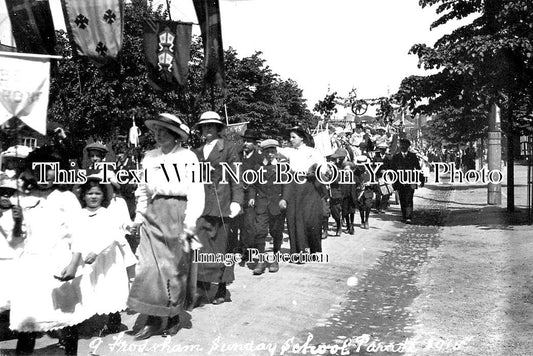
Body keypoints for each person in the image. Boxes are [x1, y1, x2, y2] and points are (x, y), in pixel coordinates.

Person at [128, 113, 204, 340]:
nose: (158, 136)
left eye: (163, 132)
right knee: (150, 268)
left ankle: (172, 316)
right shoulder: (150, 157)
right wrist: (139, 217)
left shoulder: (187, 157)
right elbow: (143, 190)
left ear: (174, 135)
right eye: (156, 131)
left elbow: (196, 191)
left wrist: (190, 224)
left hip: (178, 213)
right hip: (154, 212)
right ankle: (152, 319)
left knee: (172, 269)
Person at [8, 146, 85, 356]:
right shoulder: (25, 199)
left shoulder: (66, 198)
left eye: (50, 169)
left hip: (58, 265)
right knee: (28, 323)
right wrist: (16, 222)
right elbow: (17, 241)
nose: (45, 174)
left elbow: (79, 234)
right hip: (31, 269)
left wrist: (73, 264)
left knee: (66, 319)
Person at [194, 111, 243, 305]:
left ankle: (222, 287)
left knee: (223, 248)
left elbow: (237, 177)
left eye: (211, 126)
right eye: (204, 126)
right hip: (201, 206)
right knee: (201, 246)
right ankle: (201, 286)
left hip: (222, 204)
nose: (207, 129)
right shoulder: (196, 152)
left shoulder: (228, 148)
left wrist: (237, 201)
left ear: (217, 129)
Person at [77, 177, 136, 335]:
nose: (94, 196)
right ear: (83, 196)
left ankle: (113, 319)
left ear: (103, 196)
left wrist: (96, 250)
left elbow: (111, 235)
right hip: (88, 256)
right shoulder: (80, 214)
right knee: (89, 286)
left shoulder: (106, 213)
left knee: (109, 286)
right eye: (90, 193)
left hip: (107, 256)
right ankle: (83, 320)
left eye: (97, 193)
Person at [278, 126, 328, 258]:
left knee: (312, 220)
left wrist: (316, 171)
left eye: (294, 137)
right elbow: (277, 150)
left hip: (310, 187)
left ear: (302, 138)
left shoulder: (313, 152)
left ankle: (314, 250)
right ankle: (297, 251)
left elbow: (324, 168)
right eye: (290, 137)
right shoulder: (290, 151)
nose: (291, 140)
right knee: (295, 219)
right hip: (294, 187)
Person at [248, 139, 285, 274]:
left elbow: (286, 186)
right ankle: (261, 261)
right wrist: (252, 197)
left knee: (276, 232)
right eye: (267, 152)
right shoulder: (258, 167)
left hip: (277, 205)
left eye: (272, 151)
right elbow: (253, 185)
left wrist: (284, 199)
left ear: (276, 152)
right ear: (263, 153)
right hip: (261, 204)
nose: (270, 154)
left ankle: (275, 259)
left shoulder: (281, 167)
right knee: (260, 232)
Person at [229, 128, 262, 263]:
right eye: (245, 141)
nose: (246, 144)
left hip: (251, 195)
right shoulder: (236, 155)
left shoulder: (259, 159)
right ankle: (236, 248)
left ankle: (247, 250)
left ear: (255, 144)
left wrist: (254, 195)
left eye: (249, 141)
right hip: (236, 194)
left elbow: (259, 179)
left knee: (248, 224)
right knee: (235, 222)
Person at [0, 173, 24, 314]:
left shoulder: (17, 213)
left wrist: (18, 222)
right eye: (2, 194)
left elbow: (19, 237)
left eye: (9, 194)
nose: (5, 198)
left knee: (11, 296)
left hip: (12, 259)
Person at [391, 139, 422, 224]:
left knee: (409, 198)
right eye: (401, 145)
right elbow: (392, 169)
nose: (403, 147)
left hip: (411, 180)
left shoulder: (413, 156)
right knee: (402, 198)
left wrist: (421, 179)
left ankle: (408, 217)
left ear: (408, 147)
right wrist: (393, 180)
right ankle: (404, 216)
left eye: (405, 145)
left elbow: (418, 168)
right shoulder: (396, 157)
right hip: (399, 182)